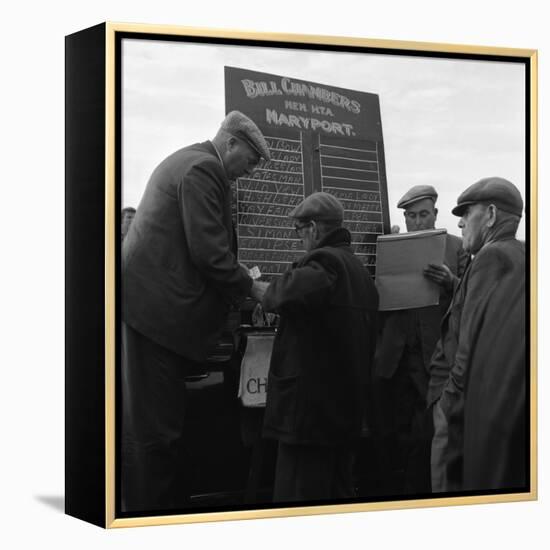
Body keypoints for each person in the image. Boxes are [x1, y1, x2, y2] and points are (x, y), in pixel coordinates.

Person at [121, 111, 270, 512]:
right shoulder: (205, 169)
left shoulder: (191, 163)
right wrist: (254, 289)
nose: (251, 171)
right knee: (154, 436)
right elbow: (209, 253)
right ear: (230, 144)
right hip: (157, 321)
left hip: (152, 317)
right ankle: (146, 518)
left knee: (155, 430)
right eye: (251, 160)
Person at [257, 192, 379, 503]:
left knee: (297, 499)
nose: (300, 239)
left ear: (313, 227)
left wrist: (248, 285)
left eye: (299, 231)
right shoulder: (359, 270)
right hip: (343, 415)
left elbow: (283, 295)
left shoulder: (326, 262)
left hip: (311, 420)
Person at [428, 176, 526, 493]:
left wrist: (448, 404)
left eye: (466, 214)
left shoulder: (490, 256)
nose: (460, 226)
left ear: (492, 215)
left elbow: (468, 346)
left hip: (463, 406)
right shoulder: (520, 255)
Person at [373, 185, 467, 495]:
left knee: (427, 431)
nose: (417, 222)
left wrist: (450, 283)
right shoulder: (393, 245)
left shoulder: (456, 247)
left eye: (423, 214)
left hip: (433, 356)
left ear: (435, 215)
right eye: (411, 216)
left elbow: (472, 297)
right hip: (395, 356)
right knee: (392, 431)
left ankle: (425, 490)